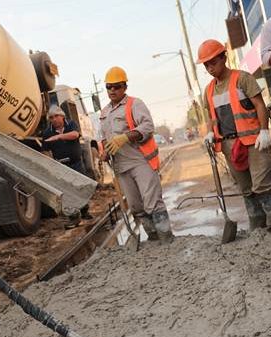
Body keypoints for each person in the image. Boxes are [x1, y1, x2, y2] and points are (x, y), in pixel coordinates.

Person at [198, 39, 271, 233]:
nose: (210, 68)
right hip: (229, 145)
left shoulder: (242, 78)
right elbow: (211, 116)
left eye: (213, 62)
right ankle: (258, 229)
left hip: (255, 141)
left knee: (262, 185)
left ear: (224, 57)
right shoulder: (209, 90)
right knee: (247, 190)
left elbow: (260, 105)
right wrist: (210, 132)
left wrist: (264, 130)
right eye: (206, 65)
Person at [98, 66, 173, 242]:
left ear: (124, 87)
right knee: (136, 206)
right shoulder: (104, 113)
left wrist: (126, 137)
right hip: (121, 167)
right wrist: (105, 153)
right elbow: (103, 137)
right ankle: (154, 238)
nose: (112, 90)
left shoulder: (134, 104)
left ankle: (167, 239)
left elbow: (147, 127)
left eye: (117, 86)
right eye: (109, 87)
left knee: (152, 203)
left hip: (141, 162)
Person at [42, 105, 93, 228]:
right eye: (51, 117)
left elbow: (75, 135)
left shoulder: (71, 124)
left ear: (62, 116)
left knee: (80, 187)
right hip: (61, 166)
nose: (54, 119)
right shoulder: (47, 132)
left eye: (56, 116)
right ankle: (73, 217)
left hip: (76, 163)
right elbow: (45, 150)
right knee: (67, 192)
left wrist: (59, 136)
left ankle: (85, 210)